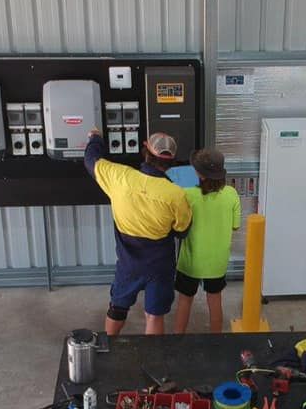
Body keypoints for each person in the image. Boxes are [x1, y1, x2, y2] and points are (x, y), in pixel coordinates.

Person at [84, 129, 192, 336]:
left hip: (128, 262)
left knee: (117, 308)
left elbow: (91, 159)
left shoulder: (119, 176)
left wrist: (96, 138)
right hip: (159, 264)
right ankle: (153, 360)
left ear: (145, 151)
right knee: (154, 314)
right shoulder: (176, 194)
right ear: (171, 161)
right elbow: (182, 230)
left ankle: (110, 349)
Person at [173, 149, 241, 334]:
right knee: (215, 300)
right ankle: (215, 342)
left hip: (191, 262)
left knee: (185, 300)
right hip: (217, 262)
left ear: (199, 174)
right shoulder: (232, 194)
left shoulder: (187, 195)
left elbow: (179, 226)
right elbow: (236, 226)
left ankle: (177, 340)